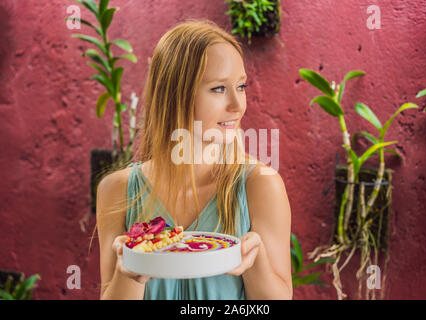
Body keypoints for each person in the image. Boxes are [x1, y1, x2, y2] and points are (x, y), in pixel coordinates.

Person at [95, 19, 292, 300]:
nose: (238, 106)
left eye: (241, 86)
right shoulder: (116, 190)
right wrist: (131, 274)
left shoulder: (261, 186)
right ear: (176, 95)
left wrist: (254, 259)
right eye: (219, 89)